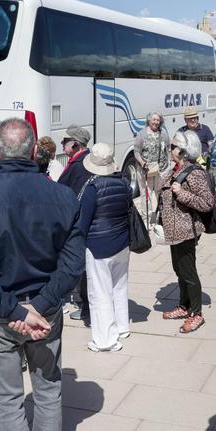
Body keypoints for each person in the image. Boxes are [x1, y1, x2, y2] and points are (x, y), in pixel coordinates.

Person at [0, 118, 85, 431]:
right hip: (44, 310)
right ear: (33, 151)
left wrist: (17, 310)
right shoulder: (63, 196)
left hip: (1, 312)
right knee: (48, 389)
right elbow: (73, 263)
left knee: (7, 398)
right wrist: (38, 307)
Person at [77, 143, 132, 352]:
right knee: (119, 287)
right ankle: (122, 326)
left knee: (100, 293)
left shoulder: (92, 188)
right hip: (122, 242)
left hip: (98, 245)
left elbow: (82, 222)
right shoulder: (123, 183)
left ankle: (105, 339)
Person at [158, 130, 214, 334]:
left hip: (187, 231)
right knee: (179, 270)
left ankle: (196, 313)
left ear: (183, 150)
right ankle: (183, 306)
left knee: (188, 273)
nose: (170, 149)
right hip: (174, 232)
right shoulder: (176, 168)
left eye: (173, 146)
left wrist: (181, 194)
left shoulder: (195, 172)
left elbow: (207, 203)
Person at [56, 125, 94, 322]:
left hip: (78, 224)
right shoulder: (84, 160)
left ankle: (85, 306)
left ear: (76, 144)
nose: (62, 144)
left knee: (81, 268)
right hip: (83, 222)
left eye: (65, 141)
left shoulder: (79, 164)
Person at [133, 111, 170, 224]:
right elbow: (136, 152)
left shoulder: (163, 133)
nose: (156, 122)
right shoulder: (141, 134)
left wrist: (168, 164)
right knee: (145, 194)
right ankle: (146, 218)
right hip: (145, 171)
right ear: (149, 121)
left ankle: (161, 216)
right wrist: (142, 162)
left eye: (158, 120)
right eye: (154, 120)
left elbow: (167, 148)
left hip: (160, 170)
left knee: (160, 193)